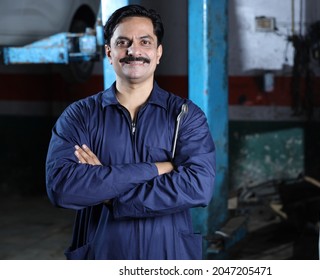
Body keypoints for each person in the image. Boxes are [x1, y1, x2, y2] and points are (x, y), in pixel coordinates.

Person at [45, 4, 216, 260]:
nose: (134, 51)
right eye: (123, 42)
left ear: (158, 53)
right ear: (109, 53)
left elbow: (198, 186)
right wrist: (159, 168)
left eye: (145, 42)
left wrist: (109, 195)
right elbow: (62, 187)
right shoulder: (80, 116)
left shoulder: (185, 115)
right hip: (101, 254)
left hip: (167, 255)